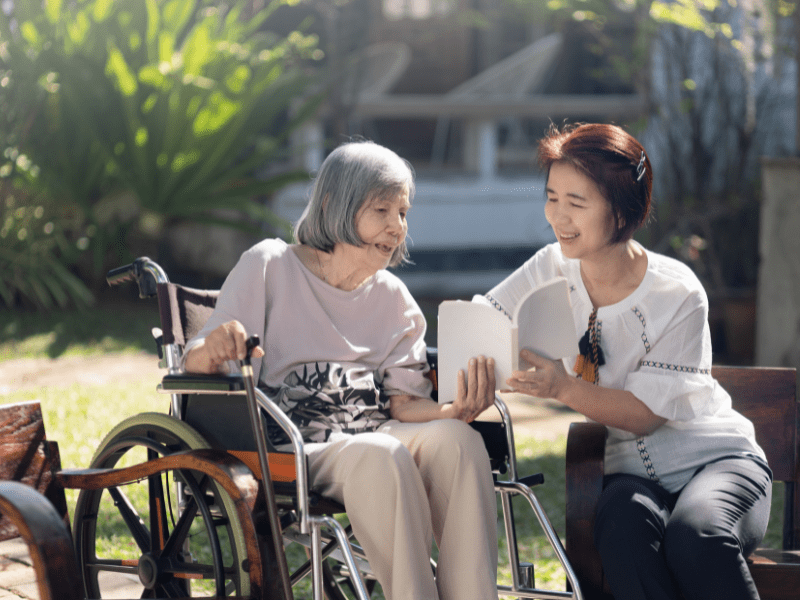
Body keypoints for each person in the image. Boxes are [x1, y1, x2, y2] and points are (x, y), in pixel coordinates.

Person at [183, 140, 499, 600]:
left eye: (403, 213)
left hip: (377, 431)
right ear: (335, 205)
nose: (397, 227)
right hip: (297, 446)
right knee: (379, 453)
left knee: (460, 443)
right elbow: (195, 359)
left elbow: (405, 403)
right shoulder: (269, 266)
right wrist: (212, 346)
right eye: (381, 210)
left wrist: (453, 410)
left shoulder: (393, 297)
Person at [483, 123, 771, 600]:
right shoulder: (549, 266)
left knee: (695, 537)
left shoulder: (676, 293)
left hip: (717, 462)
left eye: (577, 203)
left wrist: (563, 388)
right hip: (632, 475)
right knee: (620, 530)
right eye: (552, 197)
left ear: (622, 209)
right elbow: (487, 317)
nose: (558, 216)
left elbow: (643, 416)